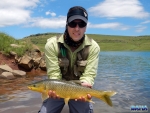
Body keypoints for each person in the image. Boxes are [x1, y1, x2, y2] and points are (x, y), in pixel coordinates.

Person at [38, 6, 100, 113]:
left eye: (81, 24)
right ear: (67, 24)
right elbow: (54, 75)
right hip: (58, 88)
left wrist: (86, 84)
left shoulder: (93, 47)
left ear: (86, 26)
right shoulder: (52, 45)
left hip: (79, 89)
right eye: (73, 24)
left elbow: (89, 75)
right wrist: (53, 90)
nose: (77, 28)